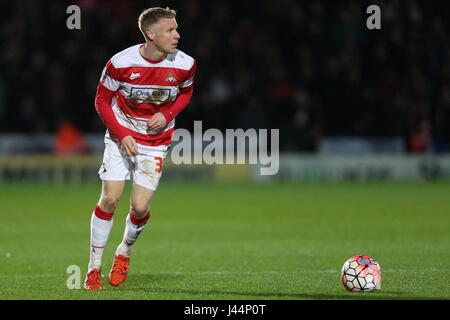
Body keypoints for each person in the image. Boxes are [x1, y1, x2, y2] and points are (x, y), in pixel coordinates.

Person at [84, 7, 196, 290]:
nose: (177, 35)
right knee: (110, 199)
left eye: (176, 28)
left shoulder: (185, 64)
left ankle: (123, 251)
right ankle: (93, 268)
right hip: (121, 136)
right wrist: (121, 134)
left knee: (140, 206)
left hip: (155, 143)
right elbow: (101, 101)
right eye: (170, 30)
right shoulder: (120, 63)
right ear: (150, 33)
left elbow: (185, 92)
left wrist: (167, 115)